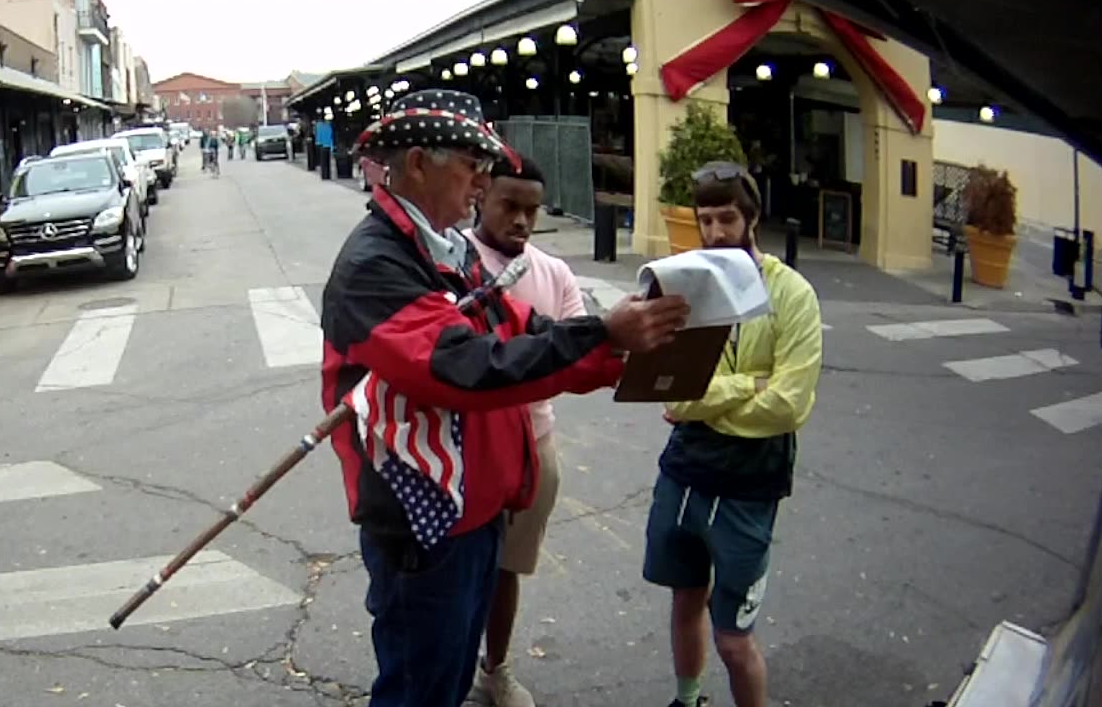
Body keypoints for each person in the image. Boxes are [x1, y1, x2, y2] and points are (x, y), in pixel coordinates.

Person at [319, 89, 692, 707]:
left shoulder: (447, 247)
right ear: (418, 163)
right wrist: (602, 336)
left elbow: (515, 324)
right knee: (420, 688)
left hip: (478, 508)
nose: (482, 182)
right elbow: (463, 367)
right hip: (426, 523)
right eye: (473, 165)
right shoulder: (374, 265)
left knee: (449, 673)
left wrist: (614, 346)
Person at [642, 161, 823, 707]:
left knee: (734, 638)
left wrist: (707, 401)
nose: (717, 232)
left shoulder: (793, 295)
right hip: (686, 472)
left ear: (752, 218)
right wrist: (750, 383)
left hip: (751, 482)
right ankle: (687, 697)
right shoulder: (686, 288)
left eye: (727, 218)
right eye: (706, 220)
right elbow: (674, 395)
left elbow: (788, 406)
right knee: (684, 598)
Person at [459, 155, 582, 707]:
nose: (522, 221)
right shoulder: (451, 262)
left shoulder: (553, 272)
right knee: (457, 569)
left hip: (535, 442)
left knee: (508, 567)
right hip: (466, 448)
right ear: (481, 194)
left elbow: (578, 350)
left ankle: (495, 668)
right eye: (510, 205)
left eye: (532, 210)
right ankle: (450, 673)